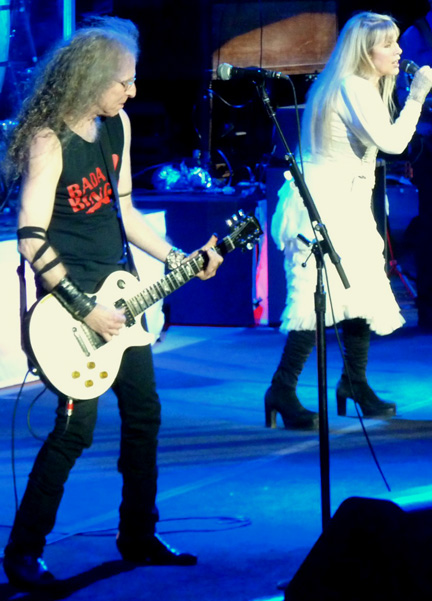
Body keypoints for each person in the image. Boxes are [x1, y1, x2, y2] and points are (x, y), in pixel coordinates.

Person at [2, 16, 223, 590]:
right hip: (69, 310)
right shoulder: (49, 140)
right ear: (93, 78)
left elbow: (124, 213)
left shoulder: (117, 127)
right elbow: (30, 236)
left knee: (145, 414)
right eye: (123, 81)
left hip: (122, 296)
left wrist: (176, 258)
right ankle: (23, 551)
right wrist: (83, 307)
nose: (132, 91)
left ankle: (138, 534)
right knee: (74, 431)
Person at [265, 11, 432, 431]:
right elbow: (393, 142)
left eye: (398, 42)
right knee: (315, 301)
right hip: (325, 203)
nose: (399, 51)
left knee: (359, 293)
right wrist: (417, 96)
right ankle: (282, 389)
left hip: (346, 201)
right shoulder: (351, 86)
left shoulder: (354, 85)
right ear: (365, 51)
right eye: (389, 44)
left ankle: (354, 383)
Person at [396, 1, 432, 330]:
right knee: (430, 227)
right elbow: (402, 94)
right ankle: (429, 312)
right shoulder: (414, 35)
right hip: (429, 144)